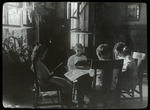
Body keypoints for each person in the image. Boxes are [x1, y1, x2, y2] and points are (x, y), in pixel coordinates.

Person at [30, 42, 74, 108]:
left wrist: (50, 74)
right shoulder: (38, 64)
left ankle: (66, 101)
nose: (45, 56)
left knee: (65, 82)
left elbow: (43, 76)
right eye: (44, 54)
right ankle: (67, 102)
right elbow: (44, 78)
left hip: (45, 80)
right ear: (40, 54)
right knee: (67, 84)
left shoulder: (36, 63)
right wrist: (51, 75)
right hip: (45, 82)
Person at [67, 43, 93, 108]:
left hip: (83, 73)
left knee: (88, 79)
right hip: (75, 74)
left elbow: (86, 66)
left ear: (82, 50)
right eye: (77, 50)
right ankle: (80, 101)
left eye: (80, 50)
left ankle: (86, 98)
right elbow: (70, 68)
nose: (79, 52)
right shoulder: (72, 58)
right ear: (75, 50)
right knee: (81, 81)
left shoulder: (84, 57)